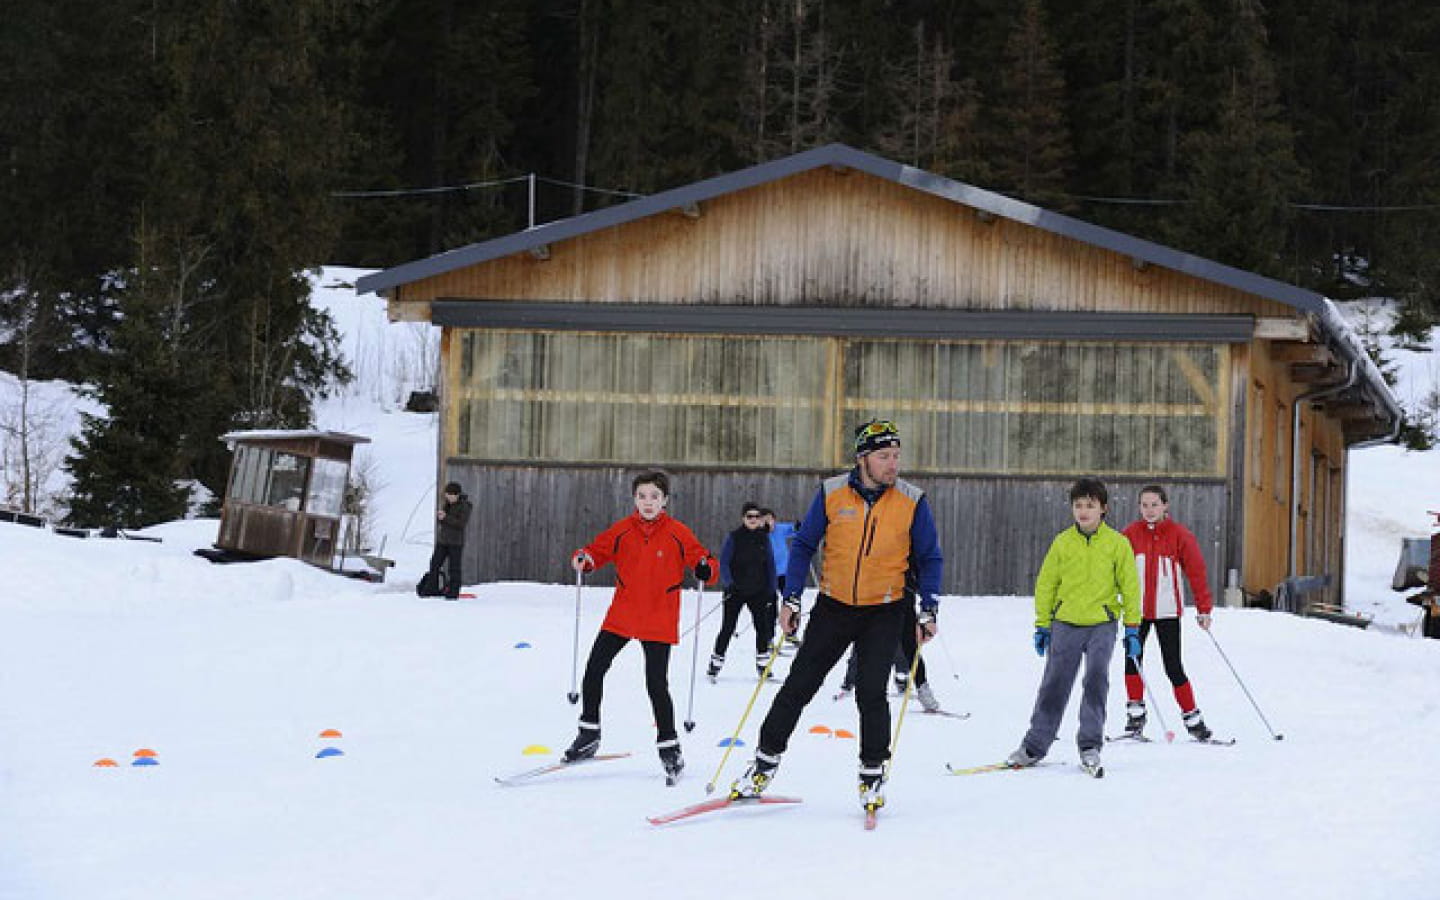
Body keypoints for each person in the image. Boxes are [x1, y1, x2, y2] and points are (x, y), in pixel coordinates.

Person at [730, 419, 943, 813]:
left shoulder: (913, 499)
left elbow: (930, 557)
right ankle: (761, 765)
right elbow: (804, 544)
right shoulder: (831, 492)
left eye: (896, 456)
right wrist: (791, 598)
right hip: (834, 606)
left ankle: (872, 774)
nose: (892, 464)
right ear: (863, 458)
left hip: (886, 609)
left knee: (871, 693)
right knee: (798, 686)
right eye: (884, 456)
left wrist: (928, 608)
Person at [563, 471, 716, 781]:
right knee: (594, 669)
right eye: (642, 496)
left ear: (665, 501)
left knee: (656, 684)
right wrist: (584, 558)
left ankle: (669, 747)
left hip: (659, 616)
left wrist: (705, 568)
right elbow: (597, 551)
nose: (648, 503)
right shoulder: (623, 530)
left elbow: (704, 561)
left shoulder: (677, 532)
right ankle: (588, 733)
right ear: (634, 499)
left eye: (654, 497)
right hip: (623, 613)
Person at [1006, 478, 1140, 773]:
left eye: (1090, 506)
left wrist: (1132, 627)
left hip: (1102, 625)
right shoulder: (1062, 542)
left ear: (1103, 509)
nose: (1083, 511)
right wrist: (1043, 624)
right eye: (1078, 505)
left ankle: (1090, 744)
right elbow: (1047, 584)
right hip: (1065, 623)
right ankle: (1034, 744)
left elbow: (1130, 587)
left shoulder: (1118, 544)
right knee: (1054, 683)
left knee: (1095, 680)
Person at [1120, 485, 1217, 740]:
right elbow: (1114, 570)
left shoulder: (1180, 535)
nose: (1149, 510)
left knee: (1173, 666)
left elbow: (1196, 573)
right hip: (1136, 612)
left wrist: (1203, 608)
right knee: (1132, 662)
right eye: (1144, 505)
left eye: (1154, 504)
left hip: (1167, 612)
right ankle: (1135, 716)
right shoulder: (1130, 535)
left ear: (1165, 506)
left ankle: (1193, 720)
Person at [708, 502, 779, 680]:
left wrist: (772, 588)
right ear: (743, 518)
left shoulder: (764, 538)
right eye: (749, 516)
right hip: (736, 591)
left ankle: (763, 666)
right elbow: (723, 562)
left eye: (756, 517)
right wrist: (728, 583)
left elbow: (770, 564)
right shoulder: (734, 537)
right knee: (727, 627)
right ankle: (715, 663)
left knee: (762, 628)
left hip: (759, 591)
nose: (753, 520)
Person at [427, 481, 472, 600]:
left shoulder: (465, 506)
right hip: (443, 540)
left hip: (456, 542)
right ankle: (431, 589)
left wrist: (446, 518)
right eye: (447, 495)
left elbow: (461, 523)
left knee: (454, 568)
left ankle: (453, 592)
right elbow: (445, 521)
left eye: (450, 495)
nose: (448, 497)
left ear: (457, 495)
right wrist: (441, 518)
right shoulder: (447, 504)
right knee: (434, 564)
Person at [764, 509, 799, 650]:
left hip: (785, 573)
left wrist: (798, 527)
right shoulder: (760, 535)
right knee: (770, 606)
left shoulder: (780, 529)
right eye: (765, 520)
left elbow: (794, 530)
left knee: (791, 602)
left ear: (774, 520)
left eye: (770, 519)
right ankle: (768, 638)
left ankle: (791, 632)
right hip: (768, 575)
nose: (768, 523)